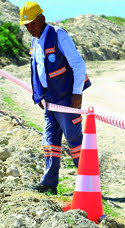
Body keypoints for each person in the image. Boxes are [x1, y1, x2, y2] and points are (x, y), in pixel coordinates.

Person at [20, 2, 92, 195]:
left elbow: (78, 65)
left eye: (32, 24)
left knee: (75, 141)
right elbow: (38, 71)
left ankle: (90, 184)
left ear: (42, 19)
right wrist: (39, 96)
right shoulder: (36, 41)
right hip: (50, 101)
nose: (29, 29)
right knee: (50, 141)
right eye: (26, 26)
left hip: (67, 99)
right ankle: (49, 183)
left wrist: (77, 92)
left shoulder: (59, 35)